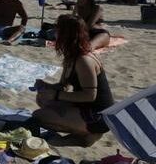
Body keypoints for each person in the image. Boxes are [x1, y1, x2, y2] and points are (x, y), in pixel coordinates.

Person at [32, 14, 114, 147]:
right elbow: (63, 86)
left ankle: (87, 135)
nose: (55, 33)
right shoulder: (71, 55)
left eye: (58, 30)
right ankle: (82, 129)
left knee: (39, 116)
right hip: (83, 106)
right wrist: (46, 86)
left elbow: (90, 96)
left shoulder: (83, 60)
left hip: (98, 116)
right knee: (43, 99)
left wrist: (56, 95)